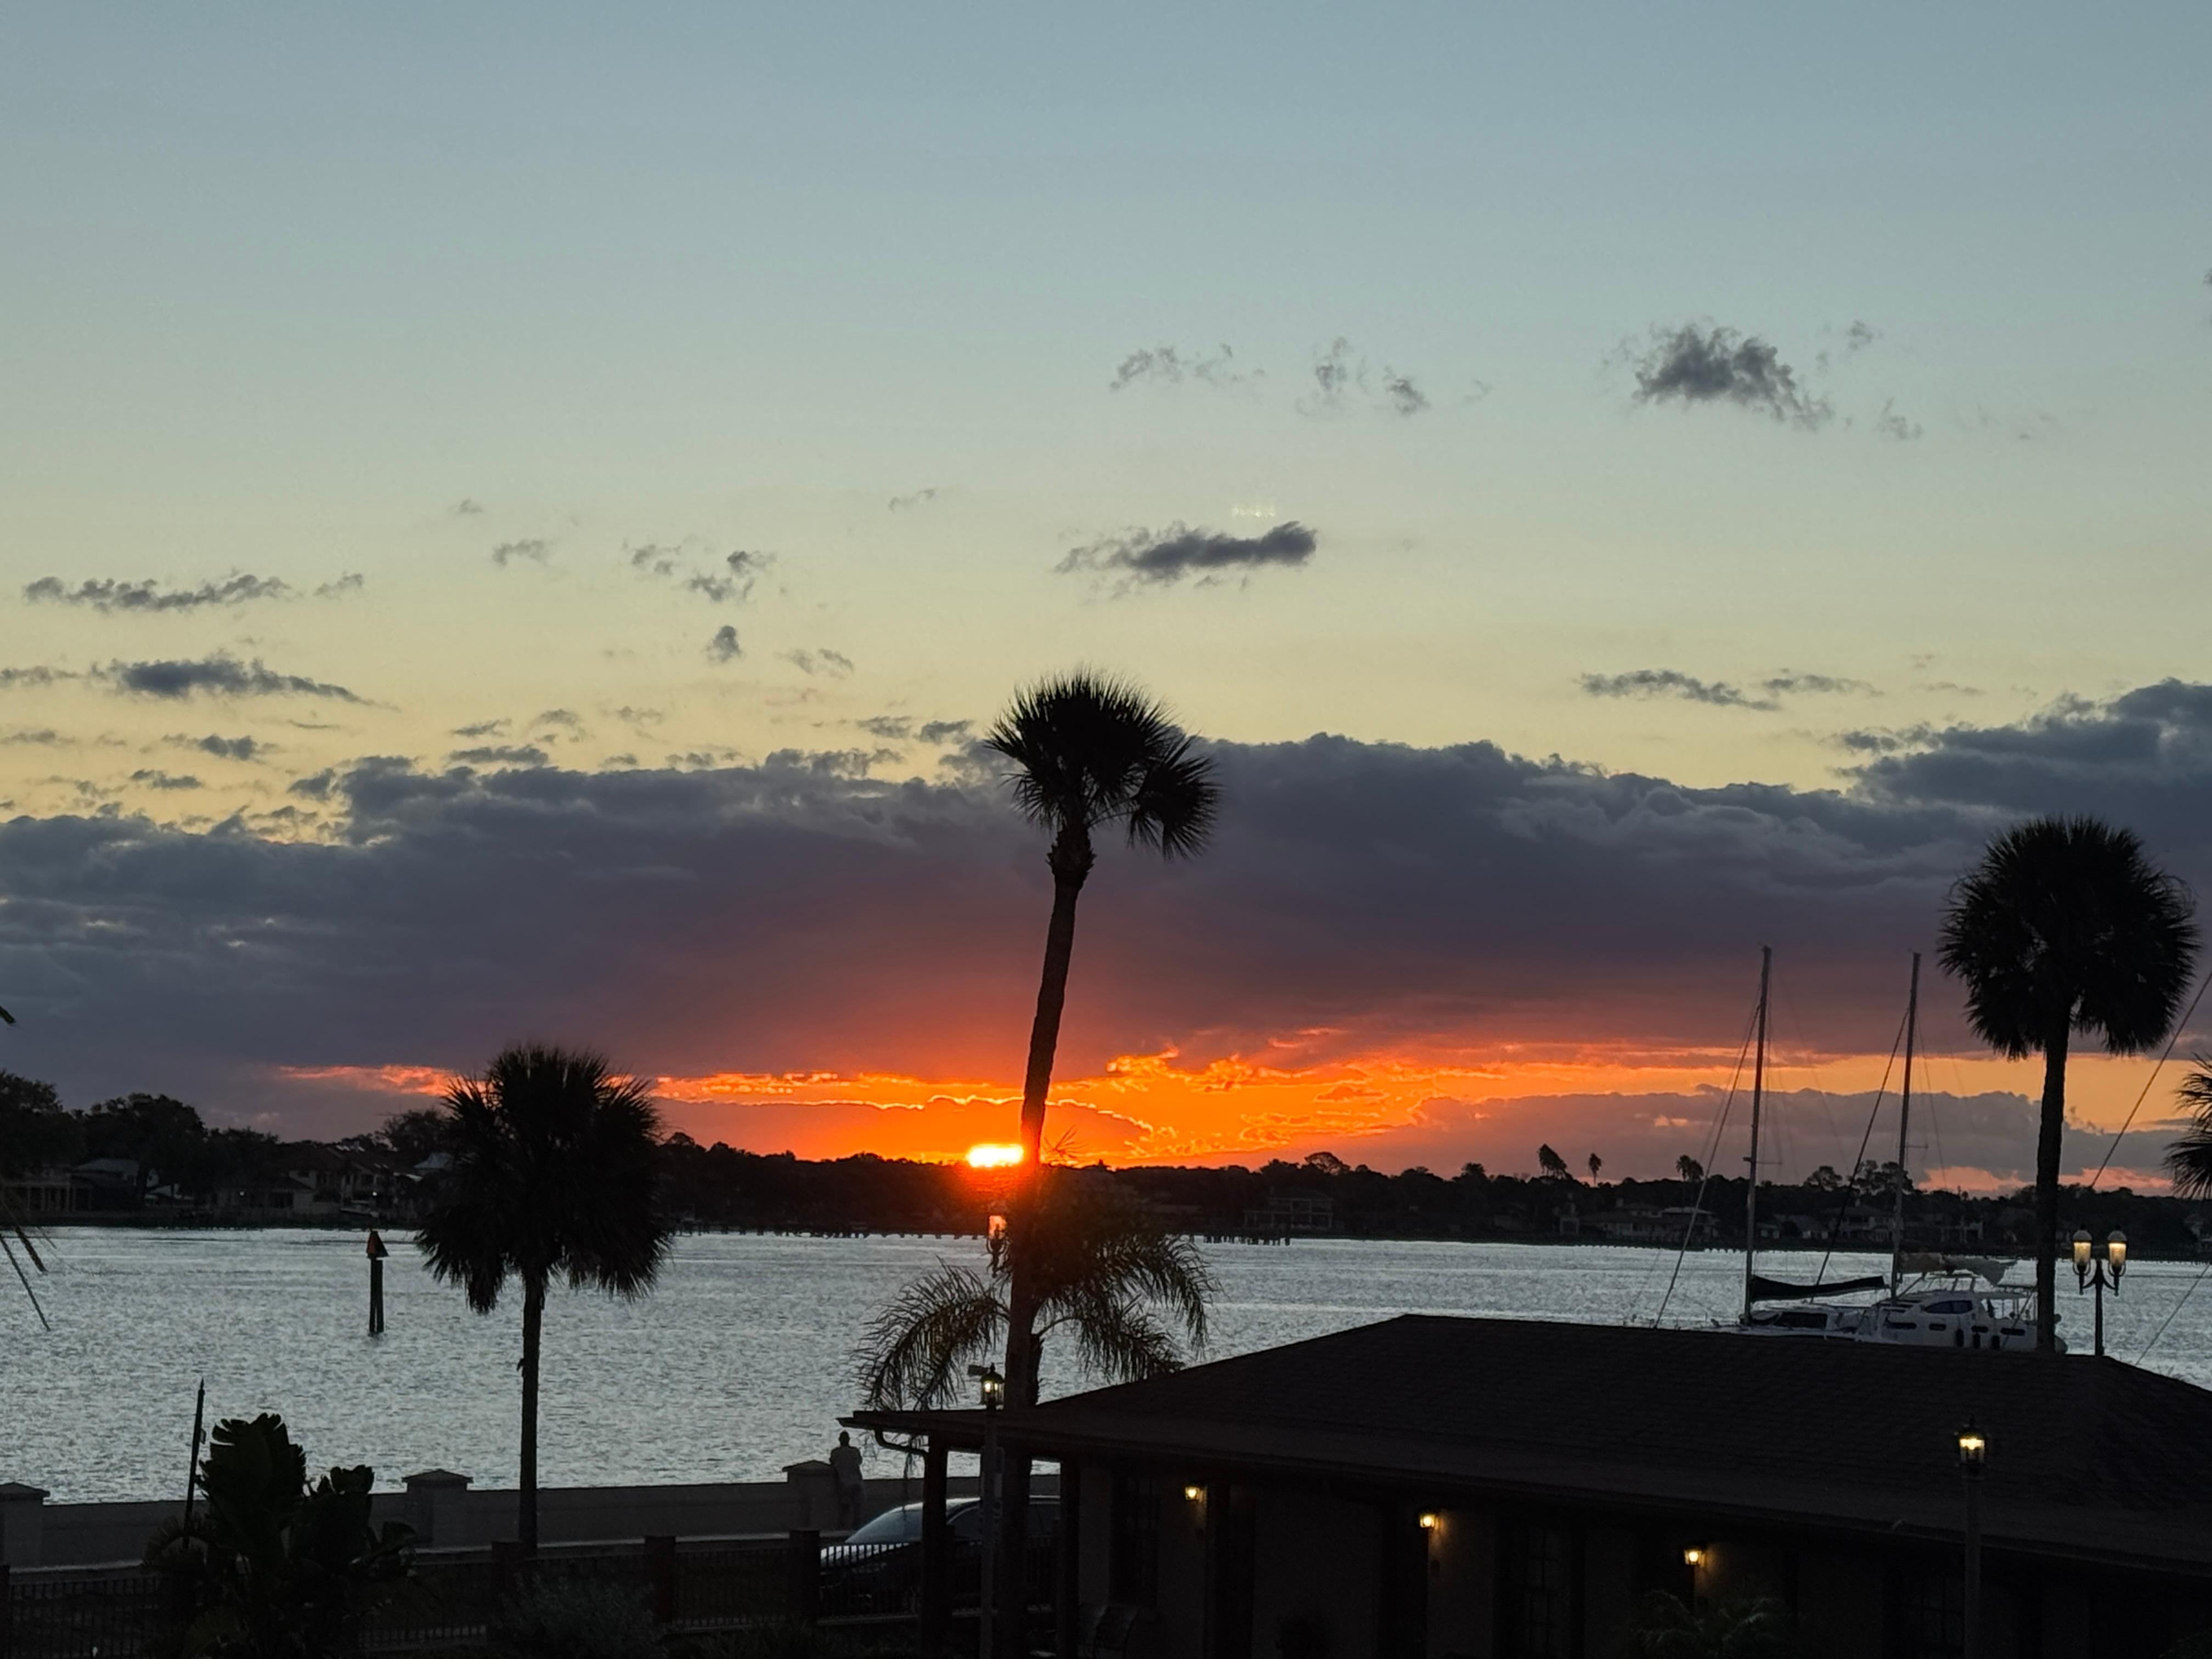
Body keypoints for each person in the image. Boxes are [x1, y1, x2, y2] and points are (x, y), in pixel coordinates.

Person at [829, 1430, 864, 1527]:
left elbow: (832, 1464)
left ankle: (843, 1526)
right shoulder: (855, 1451)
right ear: (849, 1440)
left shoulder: (836, 1452)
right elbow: (859, 1462)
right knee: (857, 1507)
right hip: (856, 1482)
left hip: (843, 1482)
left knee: (845, 1507)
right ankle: (856, 1526)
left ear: (840, 1440)